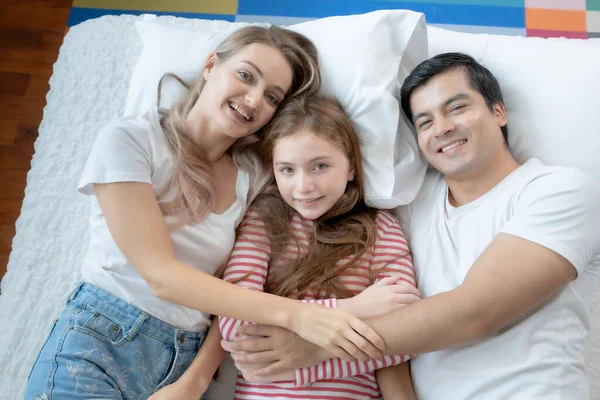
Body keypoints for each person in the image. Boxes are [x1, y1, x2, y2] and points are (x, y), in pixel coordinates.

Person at [23, 26, 387, 400]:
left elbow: (237, 290)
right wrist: (302, 316)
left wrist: (195, 380)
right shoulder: (131, 139)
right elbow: (162, 276)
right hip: (99, 340)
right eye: (246, 75)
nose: (253, 99)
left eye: (272, 97)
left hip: (182, 360)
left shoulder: (259, 177)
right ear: (212, 65)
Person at [221, 52, 600, 399]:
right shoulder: (410, 204)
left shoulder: (558, 189)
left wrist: (317, 342)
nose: (442, 128)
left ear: (498, 111)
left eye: (457, 108)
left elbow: (476, 313)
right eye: (425, 121)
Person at [150, 95, 420, 400]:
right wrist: (351, 310)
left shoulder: (380, 227)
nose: (303, 185)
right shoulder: (264, 221)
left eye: (320, 166)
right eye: (287, 170)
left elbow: (405, 331)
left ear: (350, 167)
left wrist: (299, 363)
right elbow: (237, 326)